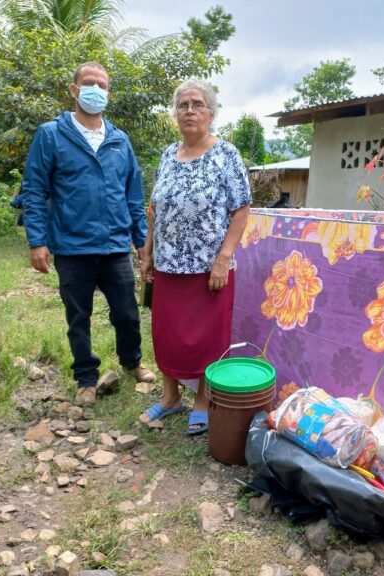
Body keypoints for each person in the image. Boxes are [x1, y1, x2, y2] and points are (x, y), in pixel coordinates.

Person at [21, 61, 156, 407]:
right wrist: (37, 241)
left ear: (109, 94)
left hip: (114, 246)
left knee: (126, 312)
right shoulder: (51, 134)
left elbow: (133, 195)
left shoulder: (119, 139)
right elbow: (34, 190)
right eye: (89, 82)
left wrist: (141, 242)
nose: (96, 89)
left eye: (102, 84)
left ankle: (132, 361)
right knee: (77, 317)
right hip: (71, 246)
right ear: (74, 89)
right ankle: (86, 378)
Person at [139, 78, 251, 435]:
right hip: (168, 263)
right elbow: (154, 209)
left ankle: (202, 400)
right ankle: (170, 397)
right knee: (166, 333)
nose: (190, 111)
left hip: (209, 268)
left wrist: (223, 258)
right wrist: (147, 253)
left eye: (198, 104)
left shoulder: (226, 154)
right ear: (175, 113)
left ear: (211, 113)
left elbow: (241, 209)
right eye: (183, 105)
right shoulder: (167, 155)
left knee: (207, 337)